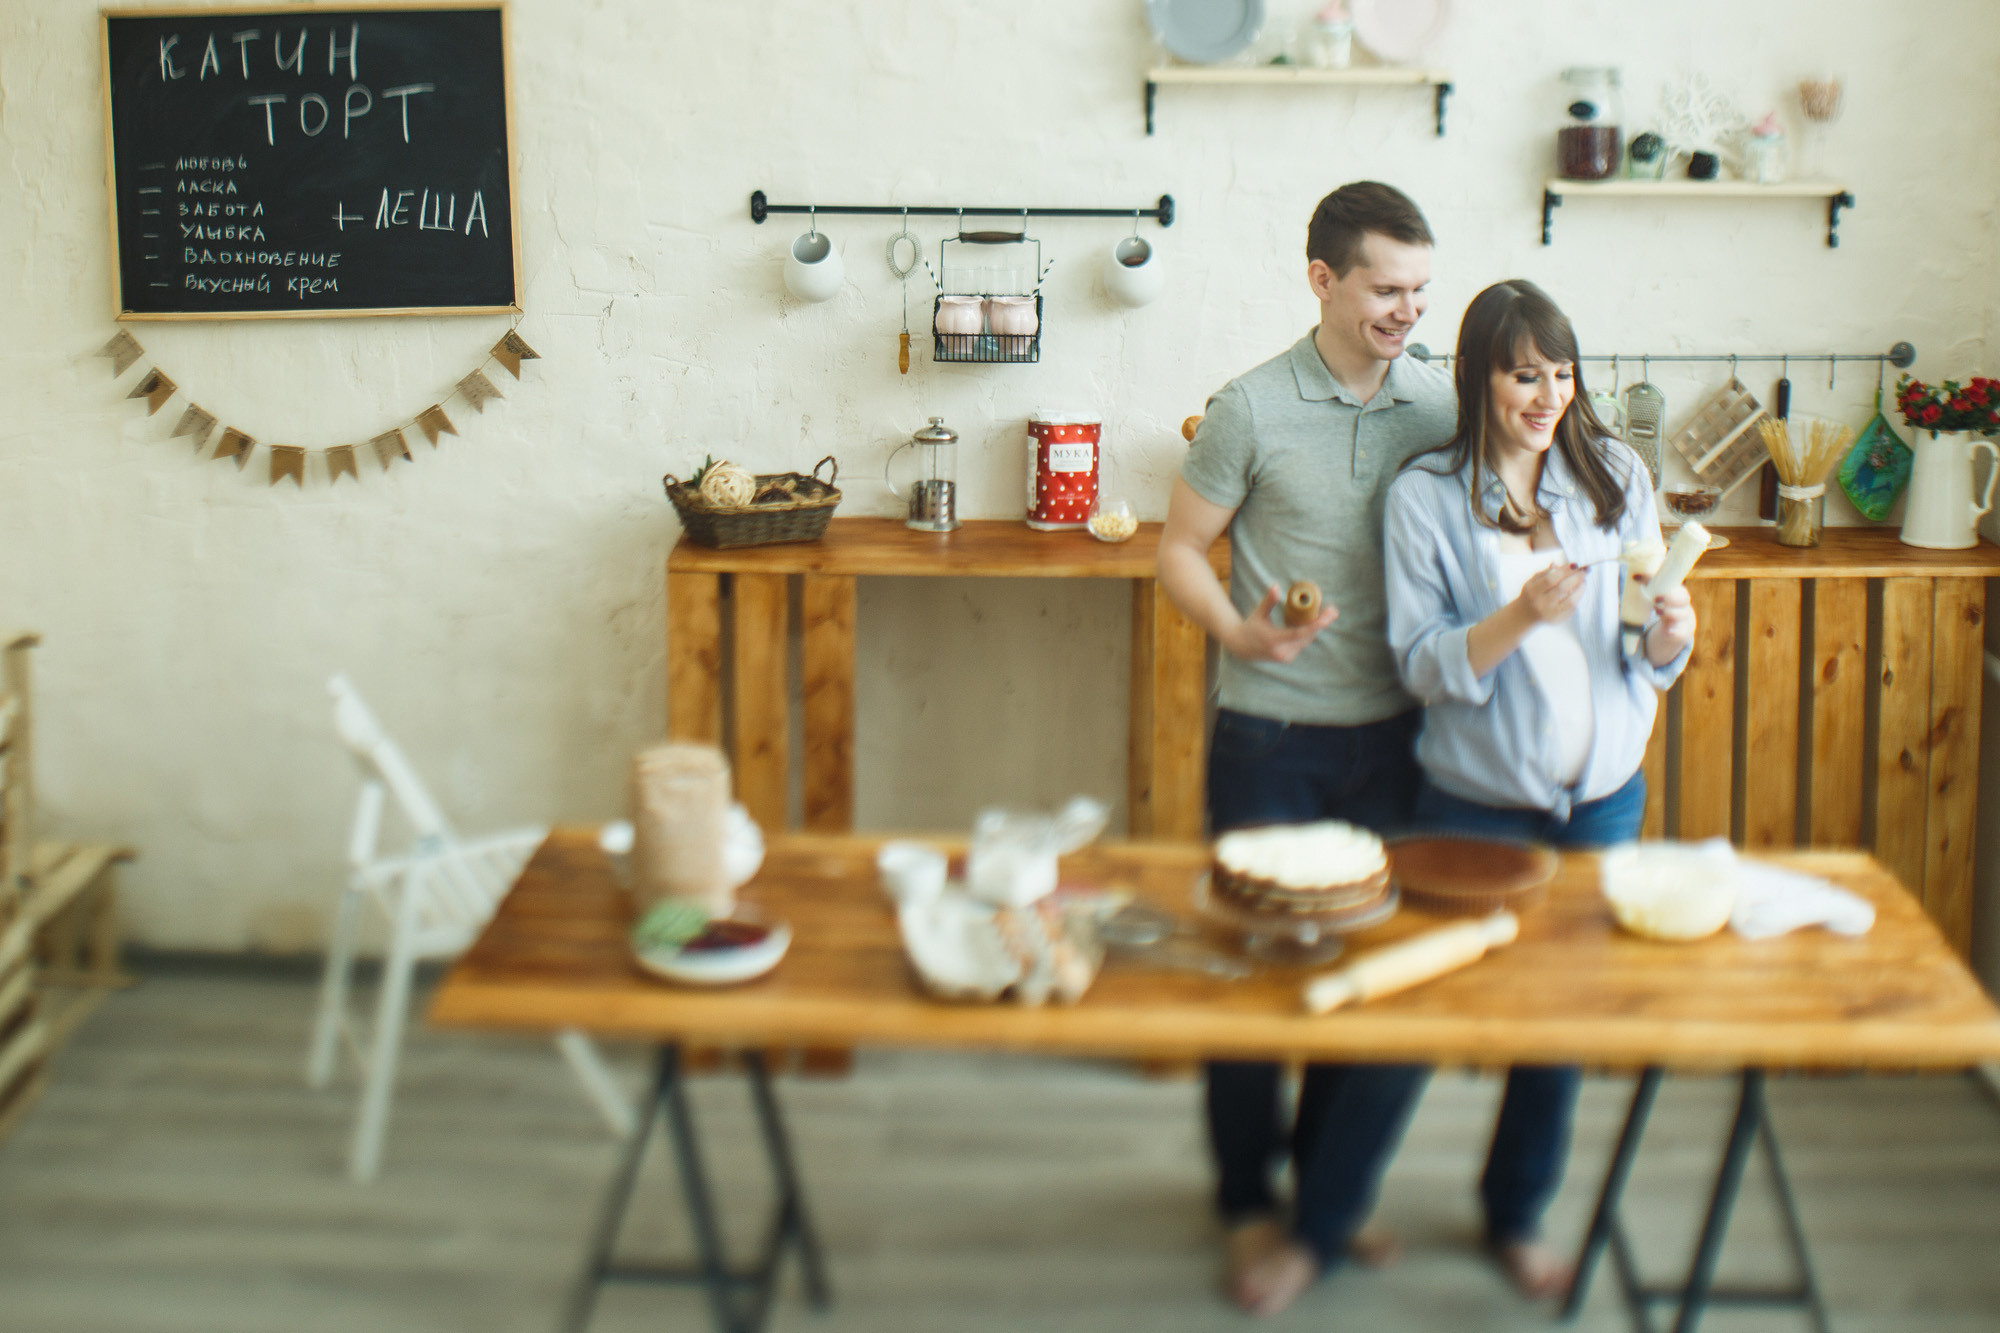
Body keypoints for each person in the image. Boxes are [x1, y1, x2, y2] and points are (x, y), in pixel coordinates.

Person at [1156, 181, 1456, 1317]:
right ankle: (1245, 1196)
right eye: (1385, 289)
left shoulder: (1438, 403)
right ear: (1323, 280)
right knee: (1250, 975)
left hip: (1403, 741)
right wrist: (1238, 630)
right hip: (1269, 738)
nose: (1406, 311)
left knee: (1364, 982)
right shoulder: (1247, 408)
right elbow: (1178, 549)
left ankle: (1327, 1194)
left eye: (1419, 290)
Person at [1382, 278, 1698, 1295]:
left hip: (1600, 803)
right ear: (1477, 376)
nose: (1548, 396)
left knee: (1557, 1026)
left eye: (1561, 374)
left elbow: (1639, 646)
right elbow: (1420, 666)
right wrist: (1519, 615)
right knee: (1410, 1012)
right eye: (1525, 375)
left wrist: (1670, 634)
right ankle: (1326, 1215)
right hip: (1472, 806)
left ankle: (1516, 1215)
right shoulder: (1425, 496)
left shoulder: (1613, 473)